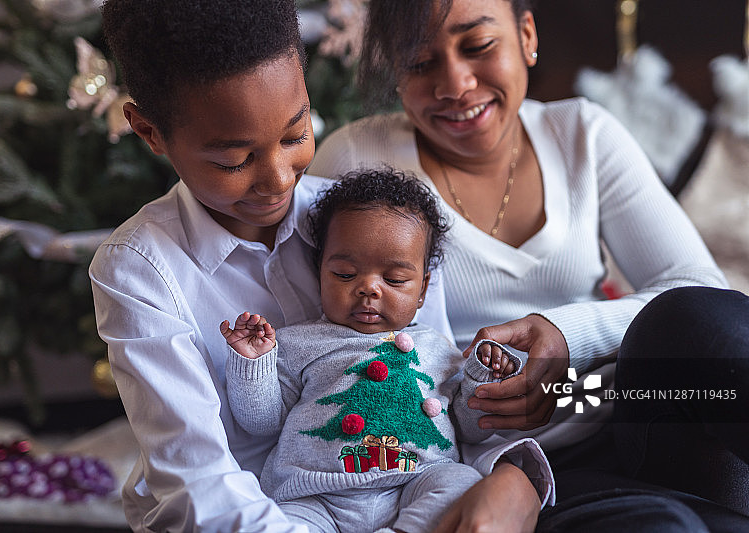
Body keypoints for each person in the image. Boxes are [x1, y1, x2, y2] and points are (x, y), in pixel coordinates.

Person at [90, 0, 551, 531]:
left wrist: (510, 478)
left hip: (409, 493)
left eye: (294, 134)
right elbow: (199, 485)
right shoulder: (140, 269)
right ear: (149, 133)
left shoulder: (379, 227)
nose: (278, 180)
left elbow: (440, 389)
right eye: (233, 161)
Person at [307, 0, 749, 530]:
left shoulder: (583, 134)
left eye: (478, 46)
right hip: (485, 474)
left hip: (625, 407)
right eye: (419, 63)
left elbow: (703, 293)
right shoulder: (357, 161)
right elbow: (324, 356)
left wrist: (567, 334)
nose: (455, 84)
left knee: (700, 321)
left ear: (526, 35)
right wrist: (508, 469)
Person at [220, 169, 553, 533]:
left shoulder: (437, 348)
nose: (368, 289)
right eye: (345, 274)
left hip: (414, 484)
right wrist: (253, 362)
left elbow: (470, 431)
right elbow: (261, 422)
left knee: (461, 481)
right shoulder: (300, 343)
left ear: (423, 289)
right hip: (315, 494)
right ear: (320, 274)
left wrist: (479, 378)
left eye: (394, 280)